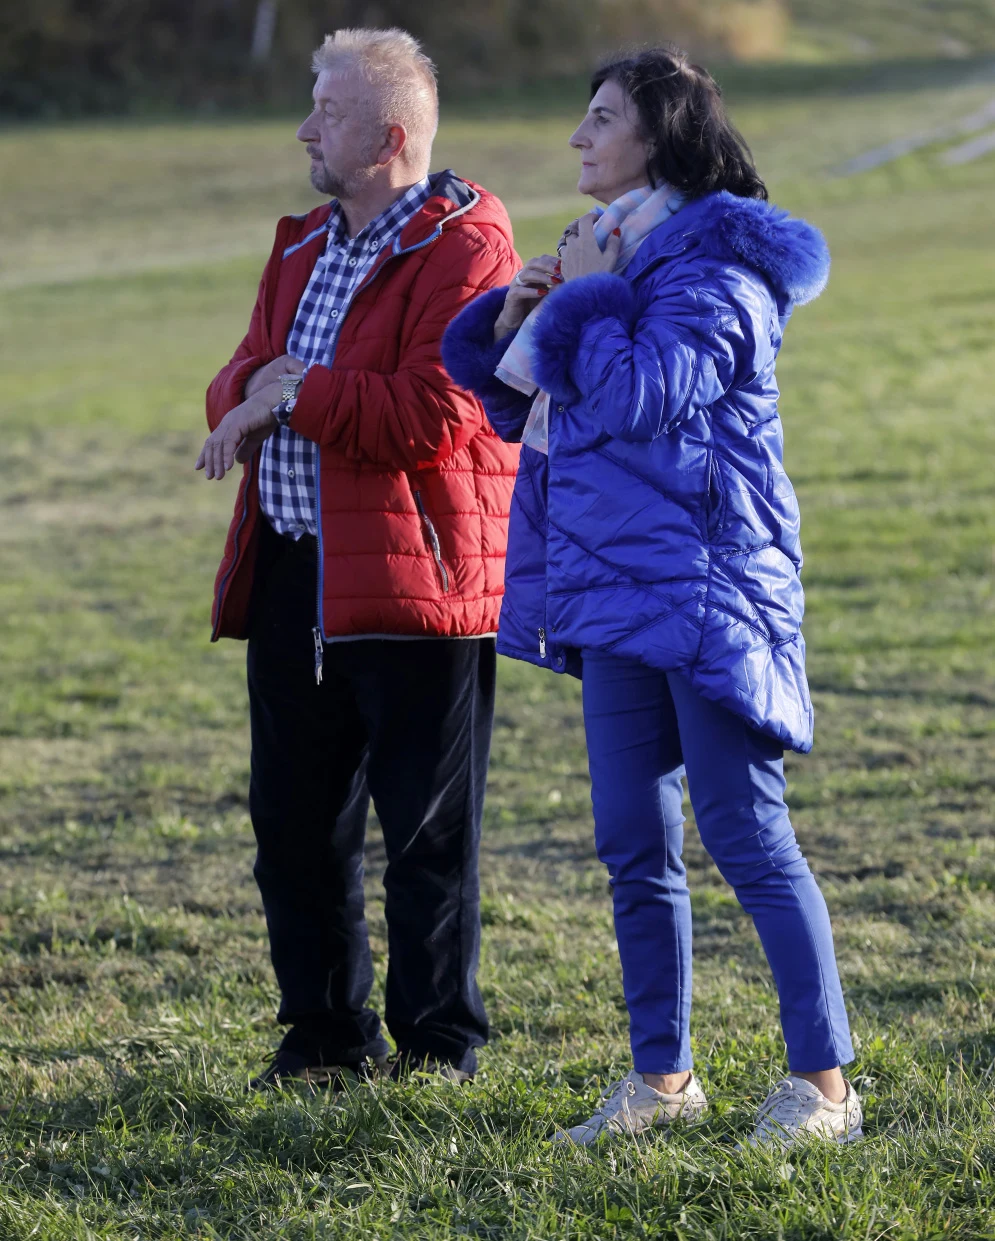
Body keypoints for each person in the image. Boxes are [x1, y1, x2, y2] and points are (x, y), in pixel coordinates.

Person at [442, 45, 862, 1149]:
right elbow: (523, 407)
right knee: (632, 841)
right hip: (617, 595)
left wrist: (583, 293)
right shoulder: (614, 253)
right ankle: (661, 1080)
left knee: (744, 831)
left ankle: (824, 1090)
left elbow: (637, 397)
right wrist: (515, 317)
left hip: (708, 589)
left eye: (599, 118)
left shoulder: (717, 272)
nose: (577, 137)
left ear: (659, 139)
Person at [195, 28, 520, 1089]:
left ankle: (437, 1048)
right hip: (297, 571)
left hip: (415, 585)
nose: (303, 129)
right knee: (290, 823)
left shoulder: (466, 243)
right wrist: (257, 391)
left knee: (425, 836)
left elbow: (432, 414)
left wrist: (290, 390)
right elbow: (238, 377)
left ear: (385, 135)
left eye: (323, 112)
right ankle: (324, 1038)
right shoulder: (300, 243)